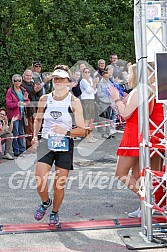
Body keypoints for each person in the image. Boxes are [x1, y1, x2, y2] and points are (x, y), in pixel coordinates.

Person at [31, 64, 85, 226]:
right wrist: (34, 136)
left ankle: (54, 212)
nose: (58, 82)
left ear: (68, 82)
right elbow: (38, 119)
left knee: (58, 185)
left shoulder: (74, 101)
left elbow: (82, 130)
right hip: (46, 142)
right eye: (56, 79)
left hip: (65, 144)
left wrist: (65, 132)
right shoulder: (44, 99)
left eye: (62, 79)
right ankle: (45, 202)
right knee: (40, 179)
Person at [108, 64, 154, 218]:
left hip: (133, 135)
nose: (127, 76)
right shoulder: (149, 90)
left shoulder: (138, 90)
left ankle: (147, 200)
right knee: (137, 174)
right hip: (141, 133)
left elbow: (126, 114)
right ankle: (144, 206)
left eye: (129, 73)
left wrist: (116, 99)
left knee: (121, 173)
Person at [6, 74, 30, 156]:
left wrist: (26, 100)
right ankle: (16, 151)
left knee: (21, 132)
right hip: (14, 115)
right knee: (15, 133)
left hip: (23, 114)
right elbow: (8, 104)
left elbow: (28, 101)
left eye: (19, 80)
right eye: (15, 80)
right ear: (13, 82)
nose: (17, 82)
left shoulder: (23, 90)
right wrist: (17, 104)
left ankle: (22, 150)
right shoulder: (10, 91)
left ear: (21, 81)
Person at [80, 67, 98, 142]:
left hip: (91, 99)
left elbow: (94, 91)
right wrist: (94, 84)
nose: (87, 73)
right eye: (85, 72)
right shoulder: (83, 81)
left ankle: (90, 135)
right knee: (87, 119)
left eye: (88, 72)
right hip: (86, 100)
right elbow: (89, 91)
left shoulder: (90, 80)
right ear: (83, 73)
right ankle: (86, 137)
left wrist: (93, 85)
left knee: (91, 119)